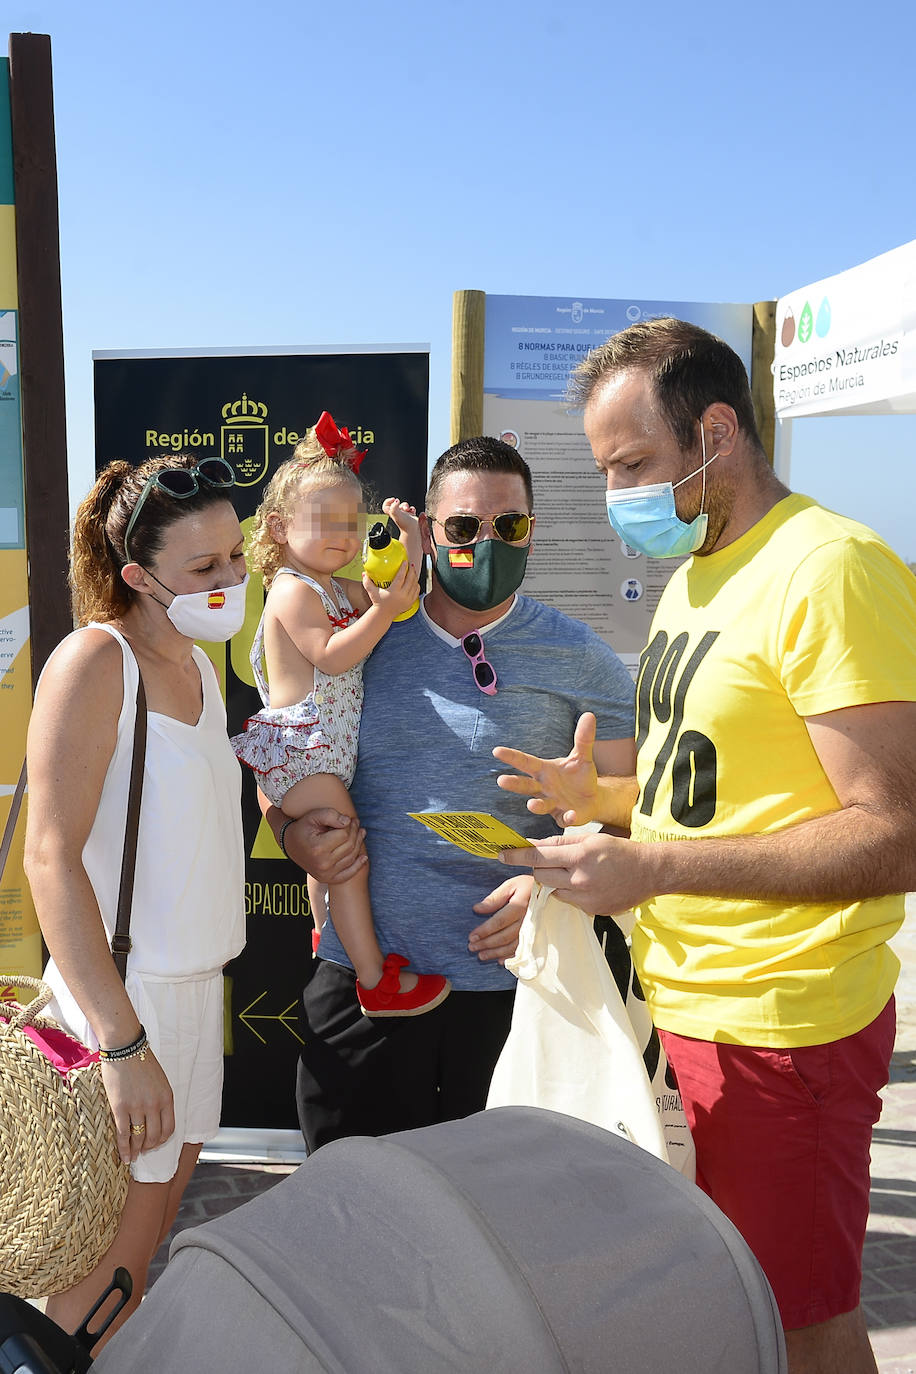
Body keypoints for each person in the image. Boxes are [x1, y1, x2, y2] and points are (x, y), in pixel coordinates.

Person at [496, 317, 916, 1374]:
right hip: (692, 1009)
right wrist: (608, 798)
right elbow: (729, 789)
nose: (617, 495)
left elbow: (894, 830)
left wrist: (656, 866)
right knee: (738, 1302)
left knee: (799, 1321)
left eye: (632, 464)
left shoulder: (831, 570)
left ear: (716, 432)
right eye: (602, 471)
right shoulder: (696, 575)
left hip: (785, 1026)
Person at [261, 435, 637, 1151]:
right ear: (428, 532)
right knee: (355, 1222)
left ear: (534, 530)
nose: (486, 543)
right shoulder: (357, 638)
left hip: (518, 997)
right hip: (366, 995)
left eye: (510, 525)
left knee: (499, 1231)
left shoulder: (583, 660)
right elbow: (286, 758)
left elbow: (626, 813)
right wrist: (289, 834)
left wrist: (555, 888)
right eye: (463, 527)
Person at [24, 454, 248, 1347]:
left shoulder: (201, 668)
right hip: (125, 1008)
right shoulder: (95, 659)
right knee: (94, 1291)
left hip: (193, 998)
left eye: (235, 556)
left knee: (134, 1267)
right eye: (204, 569)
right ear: (137, 575)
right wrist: (123, 1046)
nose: (231, 579)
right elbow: (51, 860)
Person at [232, 414, 449, 1017]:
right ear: (278, 527)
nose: (345, 537)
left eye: (353, 524)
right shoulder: (292, 589)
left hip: (321, 751)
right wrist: (379, 615)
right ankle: (375, 981)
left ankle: (327, 936)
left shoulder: (333, 586)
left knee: (329, 862)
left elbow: (395, 593)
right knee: (348, 859)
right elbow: (332, 654)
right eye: (325, 522)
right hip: (302, 750)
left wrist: (410, 538)